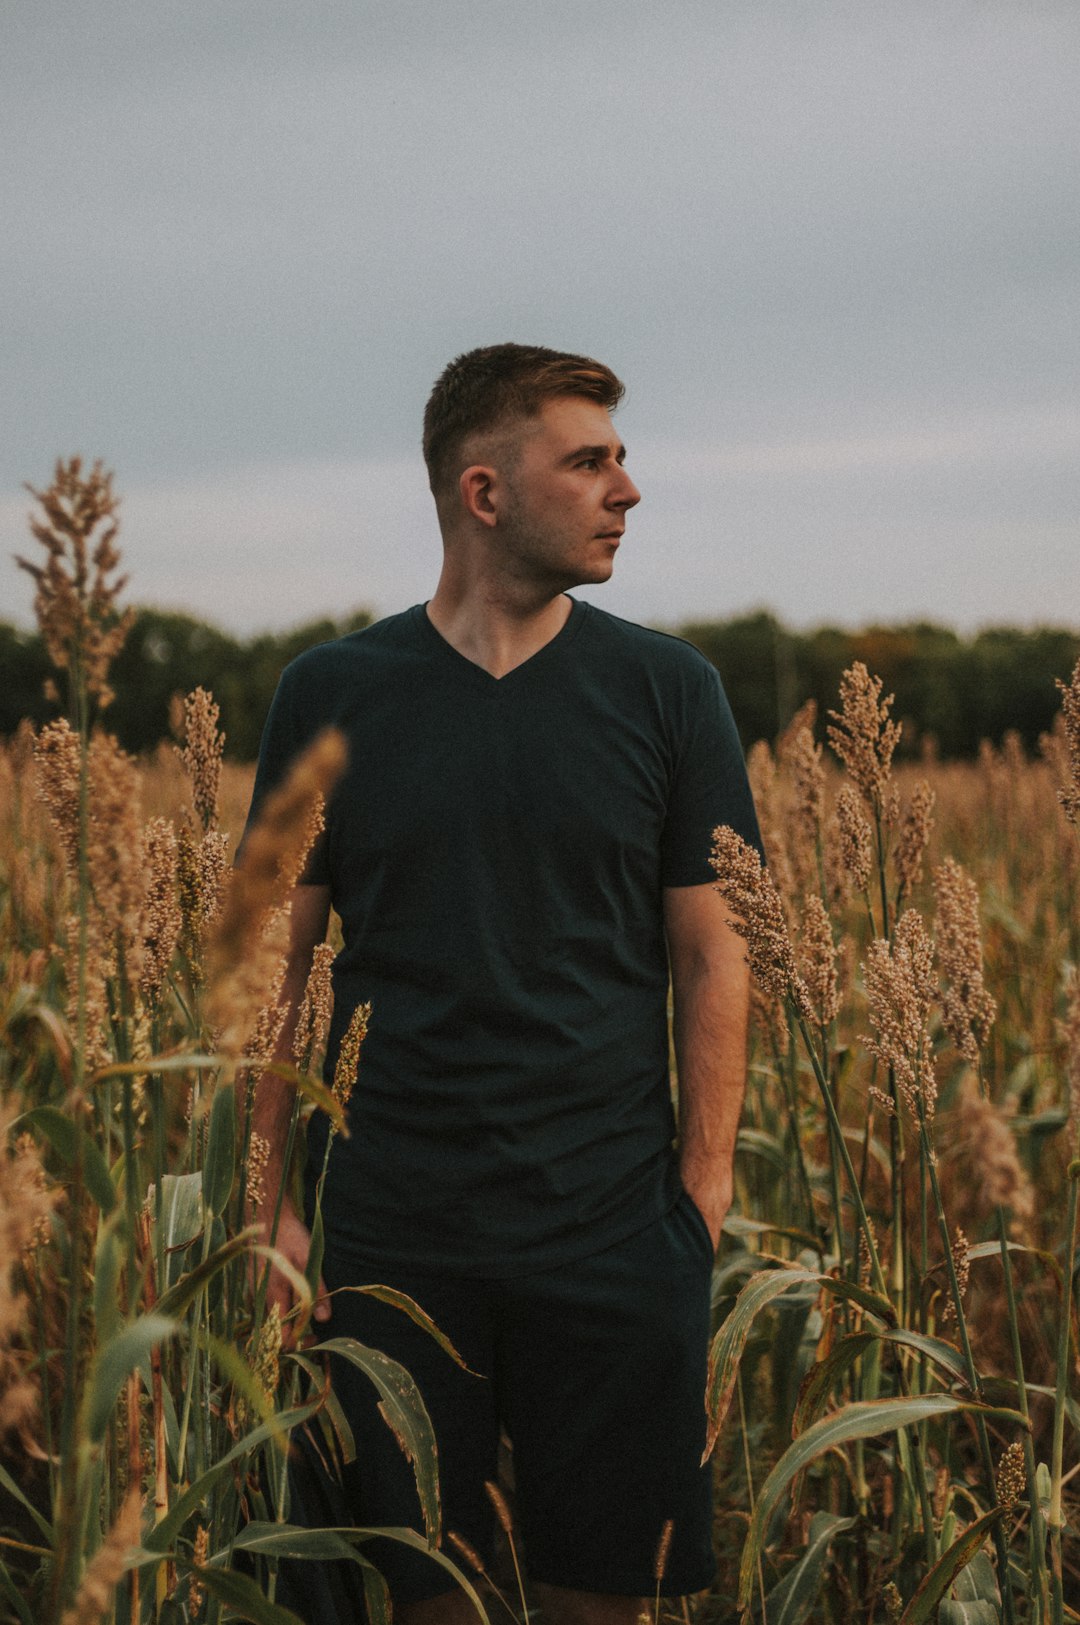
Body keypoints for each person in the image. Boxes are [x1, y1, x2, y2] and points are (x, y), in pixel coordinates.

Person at [243, 343, 762, 1625]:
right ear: (484, 491)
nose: (626, 489)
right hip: (392, 1239)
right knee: (427, 1597)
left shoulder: (670, 690)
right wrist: (268, 1209)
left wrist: (699, 1192)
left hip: (611, 1230)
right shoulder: (331, 692)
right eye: (589, 460)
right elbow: (267, 963)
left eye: (621, 459)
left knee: (604, 1595)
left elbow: (715, 951)